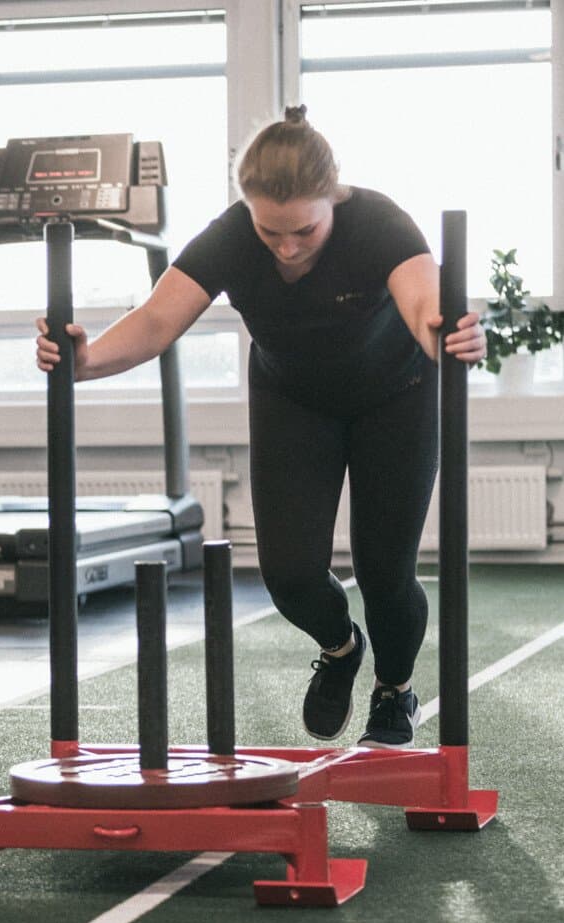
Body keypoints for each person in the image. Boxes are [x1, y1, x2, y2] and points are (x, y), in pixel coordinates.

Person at [35, 107, 485, 749]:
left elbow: (424, 303)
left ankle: (394, 688)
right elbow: (158, 321)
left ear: (333, 197)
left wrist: (449, 334)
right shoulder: (231, 237)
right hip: (293, 399)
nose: (287, 247)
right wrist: (84, 361)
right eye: (270, 230)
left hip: (398, 394)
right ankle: (339, 649)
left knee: (385, 572)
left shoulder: (378, 223)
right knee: (290, 574)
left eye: (303, 229)